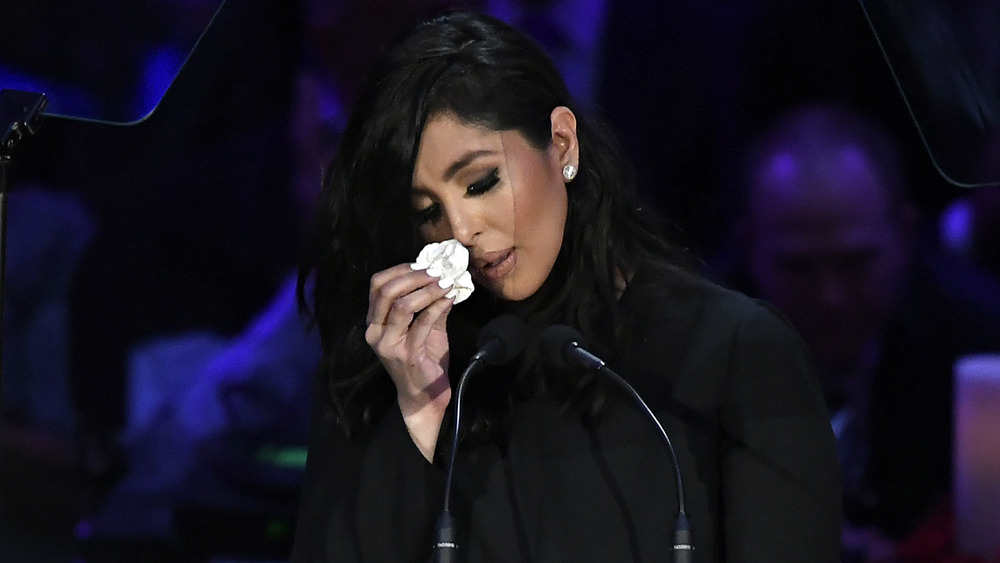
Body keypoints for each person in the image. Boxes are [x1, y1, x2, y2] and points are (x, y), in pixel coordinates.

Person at [291, 11, 840, 562]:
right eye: (427, 211)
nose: (460, 233)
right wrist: (419, 421)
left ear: (562, 143)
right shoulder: (391, 370)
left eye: (481, 183)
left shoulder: (736, 353)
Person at [712, 102, 1000, 560]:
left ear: (904, 235)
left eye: (856, 262)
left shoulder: (981, 342)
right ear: (750, 246)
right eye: (798, 267)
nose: (831, 296)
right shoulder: (688, 347)